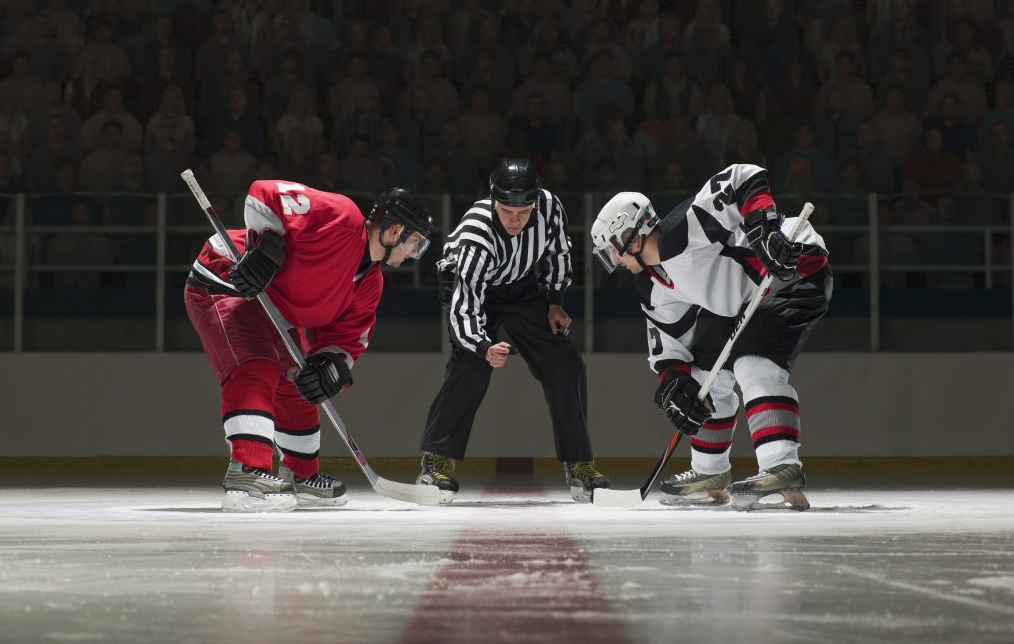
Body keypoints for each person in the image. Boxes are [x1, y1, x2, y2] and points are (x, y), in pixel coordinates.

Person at [590, 164, 832, 509]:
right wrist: (676, 385)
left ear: (632, 236)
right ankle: (710, 471)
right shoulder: (651, 283)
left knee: (753, 362)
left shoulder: (682, 229)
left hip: (795, 269)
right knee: (703, 375)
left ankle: (782, 465)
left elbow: (743, 176)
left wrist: (763, 230)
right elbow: (668, 353)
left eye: (613, 250)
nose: (615, 261)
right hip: (749, 298)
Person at [184, 182, 434, 512]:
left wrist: (329, 365)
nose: (413, 254)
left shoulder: (370, 284)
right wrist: (265, 247)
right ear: (395, 231)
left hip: (273, 307)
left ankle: (300, 475)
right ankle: (246, 473)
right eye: (415, 243)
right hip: (227, 279)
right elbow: (263, 194)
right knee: (256, 365)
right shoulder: (342, 218)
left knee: (298, 377)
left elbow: (347, 339)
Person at [417, 158, 610, 502]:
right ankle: (436, 463)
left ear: (536, 202)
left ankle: (580, 463)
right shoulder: (477, 235)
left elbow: (559, 252)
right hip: (472, 288)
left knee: (566, 364)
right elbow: (465, 307)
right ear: (493, 200)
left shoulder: (550, 207)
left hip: (521, 284)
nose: (515, 220)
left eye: (524, 212)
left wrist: (554, 300)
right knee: (469, 368)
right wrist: (482, 347)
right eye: (507, 211)